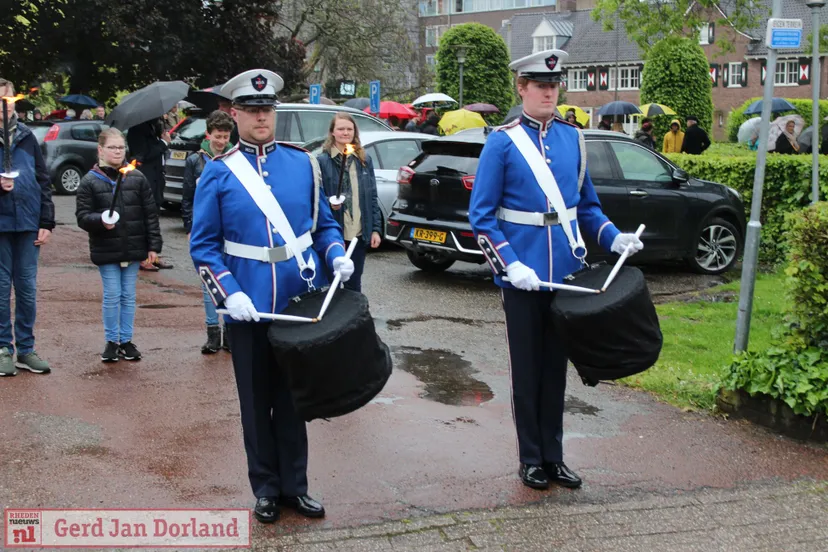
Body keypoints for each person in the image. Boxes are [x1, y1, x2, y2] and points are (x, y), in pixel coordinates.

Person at [468, 50, 643, 492]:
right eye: (539, 85)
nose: (548, 91)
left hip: (565, 273)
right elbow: (482, 217)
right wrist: (510, 265)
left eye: (553, 85)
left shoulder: (572, 138)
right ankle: (530, 459)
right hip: (523, 276)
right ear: (521, 88)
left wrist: (613, 237)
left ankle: (555, 456)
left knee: (555, 369)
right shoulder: (502, 142)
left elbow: (586, 208)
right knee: (527, 371)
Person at [189, 69, 354, 524]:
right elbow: (203, 247)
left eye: (267, 109)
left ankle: (295, 486)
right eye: (253, 109)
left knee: (294, 398)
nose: (262, 117)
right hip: (249, 305)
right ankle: (264, 487)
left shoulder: (302, 163)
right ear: (235, 113)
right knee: (256, 401)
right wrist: (231, 294)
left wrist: (336, 254)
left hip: (299, 303)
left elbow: (323, 226)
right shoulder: (219, 174)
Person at [75, 129, 162, 362]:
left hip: (133, 247)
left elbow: (149, 214)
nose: (117, 151)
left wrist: (154, 245)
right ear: (100, 150)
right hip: (107, 248)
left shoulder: (136, 177)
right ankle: (112, 340)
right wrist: (101, 220)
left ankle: (126, 339)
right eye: (112, 147)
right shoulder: (90, 181)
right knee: (113, 294)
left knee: (128, 295)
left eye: (121, 147)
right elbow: (83, 217)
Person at [0, 78, 55, 377]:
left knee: (27, 289)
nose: (5, 105)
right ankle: (2, 348)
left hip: (28, 223)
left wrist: (46, 221)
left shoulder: (26, 136)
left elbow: (43, 180)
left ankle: (26, 348)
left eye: (8, 99)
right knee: (0, 289)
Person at [181, 110, 234, 354]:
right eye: (218, 136)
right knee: (208, 281)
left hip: (231, 227)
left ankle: (231, 332)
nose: (222, 142)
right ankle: (213, 332)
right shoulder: (195, 161)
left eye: (225, 136)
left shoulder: (237, 157)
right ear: (208, 135)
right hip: (206, 227)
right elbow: (188, 197)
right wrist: (190, 227)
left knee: (233, 277)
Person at [316, 112, 383, 292]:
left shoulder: (364, 159)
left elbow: (372, 196)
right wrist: (330, 202)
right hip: (335, 233)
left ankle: (355, 318)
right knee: (333, 283)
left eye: (349, 129)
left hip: (358, 234)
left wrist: (375, 229)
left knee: (354, 283)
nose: (345, 133)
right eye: (341, 129)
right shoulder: (322, 161)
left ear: (354, 132)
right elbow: (316, 197)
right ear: (332, 132)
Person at [127, 117, 173, 270]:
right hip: (145, 180)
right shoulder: (137, 129)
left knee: (154, 220)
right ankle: (143, 257)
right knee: (144, 219)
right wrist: (164, 143)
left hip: (156, 180)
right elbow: (143, 154)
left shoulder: (151, 126)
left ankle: (153, 255)